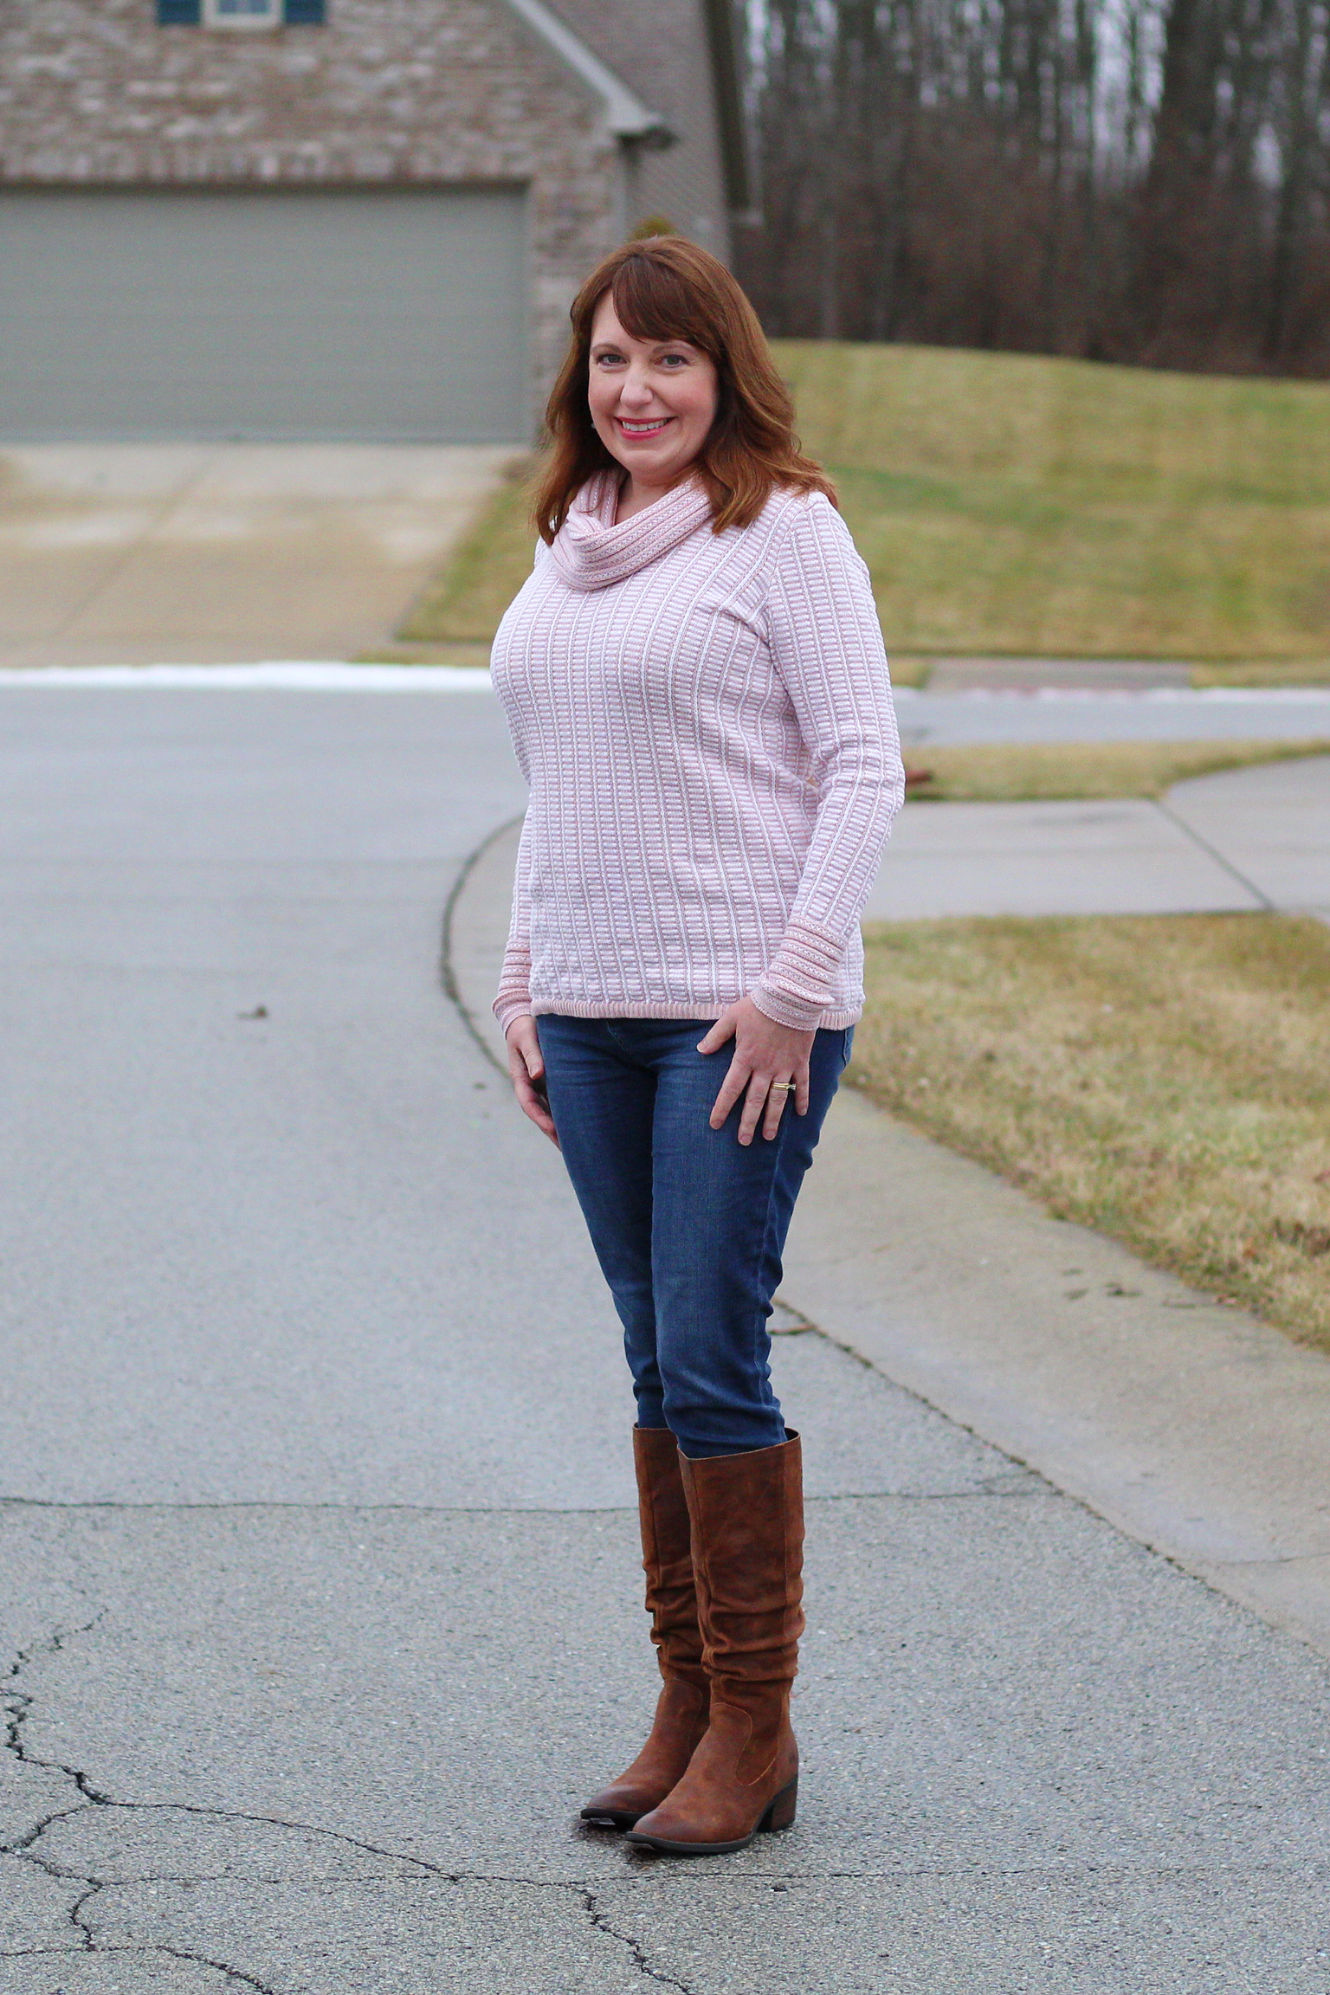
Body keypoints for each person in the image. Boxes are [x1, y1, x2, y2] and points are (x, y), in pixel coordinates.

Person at [490, 236, 904, 1856]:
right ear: (577, 381)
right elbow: (555, 783)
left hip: (739, 1020)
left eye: (668, 360)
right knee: (654, 1356)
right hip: (587, 1017)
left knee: (715, 1353)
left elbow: (864, 764)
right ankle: (686, 1700)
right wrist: (525, 984)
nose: (635, 389)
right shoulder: (567, 537)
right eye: (609, 360)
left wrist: (795, 984)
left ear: (722, 373)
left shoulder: (781, 530)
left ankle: (755, 1725)